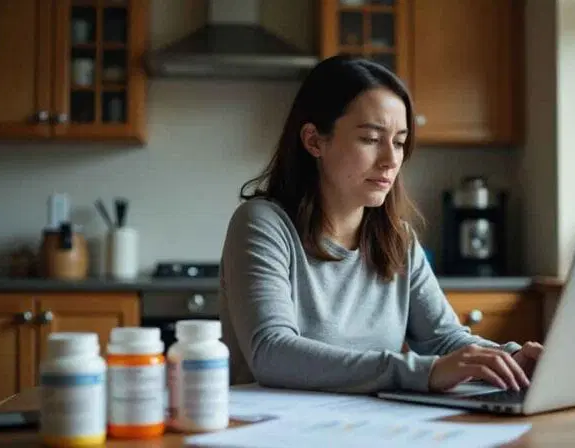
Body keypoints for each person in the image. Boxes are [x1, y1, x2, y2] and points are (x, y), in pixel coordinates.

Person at [218, 55, 543, 394]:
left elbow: (445, 340)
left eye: (399, 142)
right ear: (314, 140)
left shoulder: (398, 239)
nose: (391, 160)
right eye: (371, 139)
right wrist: (420, 371)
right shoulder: (262, 224)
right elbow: (271, 352)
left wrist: (512, 358)